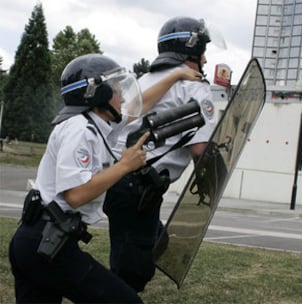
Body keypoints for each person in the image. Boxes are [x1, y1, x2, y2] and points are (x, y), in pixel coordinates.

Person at [8, 53, 202, 304]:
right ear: (95, 94)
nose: (122, 97)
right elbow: (75, 195)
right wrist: (124, 166)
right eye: (116, 90)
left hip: (39, 241)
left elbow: (140, 107)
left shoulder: (96, 125)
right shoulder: (79, 130)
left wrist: (176, 74)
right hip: (44, 243)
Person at [103, 16, 217, 292]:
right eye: (202, 50)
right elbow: (201, 150)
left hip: (118, 181)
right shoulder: (194, 87)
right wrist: (213, 184)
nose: (204, 58)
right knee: (132, 272)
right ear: (191, 51)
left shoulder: (144, 80)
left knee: (153, 241)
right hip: (137, 185)